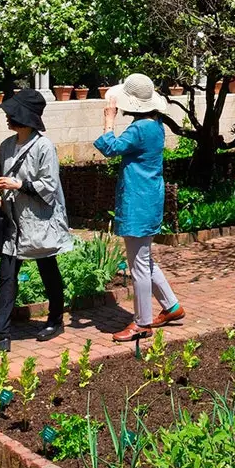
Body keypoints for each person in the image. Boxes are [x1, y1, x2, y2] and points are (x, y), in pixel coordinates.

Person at [93, 74, 184, 343]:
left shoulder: (138, 129)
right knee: (144, 259)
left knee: (139, 265)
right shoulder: (155, 125)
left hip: (137, 201)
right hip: (149, 198)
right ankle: (171, 306)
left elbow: (110, 148)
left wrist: (108, 120)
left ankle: (142, 323)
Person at [0, 89, 73, 352]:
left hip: (39, 222)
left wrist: (19, 185)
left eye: (12, 114)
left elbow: (50, 185)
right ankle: (1, 331)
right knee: (7, 274)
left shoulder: (44, 147)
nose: (8, 118)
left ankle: (56, 318)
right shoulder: (6, 146)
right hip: (13, 222)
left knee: (48, 269)